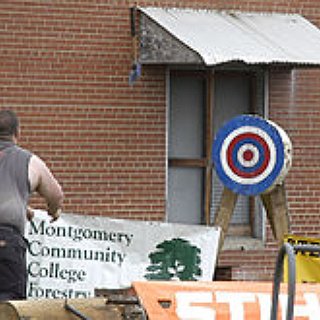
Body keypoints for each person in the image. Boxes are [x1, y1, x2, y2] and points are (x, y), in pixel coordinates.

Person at [0, 109, 64, 300]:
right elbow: (56, 195)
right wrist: (53, 211)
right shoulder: (29, 161)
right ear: (18, 133)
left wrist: (22, 209)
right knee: (8, 306)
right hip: (6, 243)